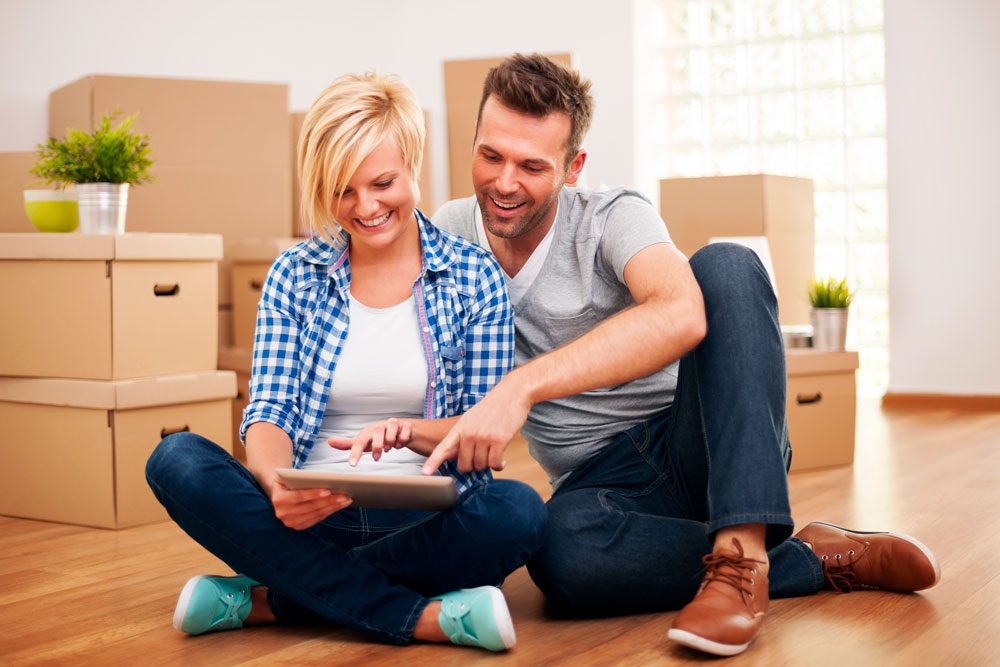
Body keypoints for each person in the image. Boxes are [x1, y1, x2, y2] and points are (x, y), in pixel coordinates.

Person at [427, 54, 941, 657]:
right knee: (559, 555)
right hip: (601, 483)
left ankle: (743, 551)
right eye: (491, 156)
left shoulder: (613, 215)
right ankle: (801, 559)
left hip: (700, 440)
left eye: (532, 165)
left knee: (725, 264)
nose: (506, 182)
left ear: (573, 169)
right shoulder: (449, 232)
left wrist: (521, 388)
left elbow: (681, 311)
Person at [145, 72, 547, 653]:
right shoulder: (294, 274)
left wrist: (409, 434)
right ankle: (420, 617)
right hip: (305, 517)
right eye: (343, 191)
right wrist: (277, 484)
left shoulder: (473, 276)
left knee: (519, 513)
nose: (366, 207)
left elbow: (478, 430)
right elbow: (270, 411)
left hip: (422, 522)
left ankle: (272, 598)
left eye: (382, 182)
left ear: (413, 164)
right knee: (176, 458)